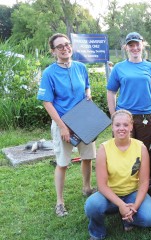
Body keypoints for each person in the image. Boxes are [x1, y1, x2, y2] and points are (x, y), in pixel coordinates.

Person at [37, 33, 96, 217]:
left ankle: (87, 188)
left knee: (87, 157)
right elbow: (47, 102)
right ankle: (60, 202)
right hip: (63, 122)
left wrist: (88, 94)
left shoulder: (80, 67)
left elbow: (87, 85)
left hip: (83, 119)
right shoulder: (49, 73)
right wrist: (62, 126)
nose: (65, 48)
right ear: (53, 51)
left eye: (67, 44)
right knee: (62, 163)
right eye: (60, 46)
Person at [85, 110, 151, 239]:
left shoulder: (140, 147)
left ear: (131, 126)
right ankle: (97, 231)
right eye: (117, 125)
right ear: (112, 127)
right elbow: (102, 185)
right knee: (92, 205)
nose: (121, 128)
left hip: (133, 193)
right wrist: (120, 204)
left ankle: (127, 217)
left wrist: (135, 206)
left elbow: (144, 182)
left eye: (125, 125)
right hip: (109, 195)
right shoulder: (104, 149)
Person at [107, 32, 151, 150]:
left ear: (142, 45)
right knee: (122, 149)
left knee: (143, 150)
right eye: (131, 45)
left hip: (146, 116)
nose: (135, 48)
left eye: (137, 44)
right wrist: (114, 115)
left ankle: (143, 169)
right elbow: (111, 92)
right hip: (124, 115)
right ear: (126, 47)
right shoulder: (119, 67)